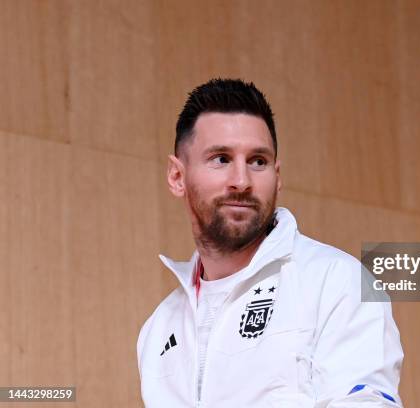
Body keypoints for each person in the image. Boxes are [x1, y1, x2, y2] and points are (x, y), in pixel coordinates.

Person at [136, 78, 404, 407]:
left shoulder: (335, 281)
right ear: (177, 177)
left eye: (258, 161)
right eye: (221, 159)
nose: (241, 181)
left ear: (277, 177)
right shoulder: (159, 328)